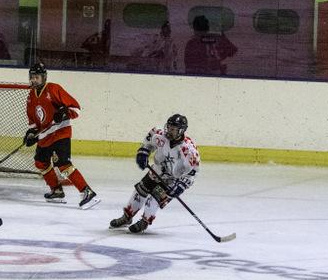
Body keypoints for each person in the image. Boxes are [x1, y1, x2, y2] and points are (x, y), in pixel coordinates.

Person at [24, 62, 99, 209]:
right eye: (32, 77)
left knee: (63, 164)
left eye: (37, 77)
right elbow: (33, 121)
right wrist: (32, 133)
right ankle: (57, 191)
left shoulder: (53, 89)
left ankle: (87, 192)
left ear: (44, 77)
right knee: (40, 162)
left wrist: (64, 113)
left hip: (60, 133)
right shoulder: (31, 96)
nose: (34, 80)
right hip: (45, 136)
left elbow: (76, 108)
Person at [109, 114, 199, 233]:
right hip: (156, 171)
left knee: (154, 198)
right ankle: (126, 217)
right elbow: (148, 142)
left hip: (172, 180)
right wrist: (143, 152)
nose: (169, 131)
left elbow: (192, 172)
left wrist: (180, 186)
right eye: (168, 127)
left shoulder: (188, 149)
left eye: (173, 129)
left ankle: (144, 222)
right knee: (139, 191)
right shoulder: (159, 134)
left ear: (181, 131)